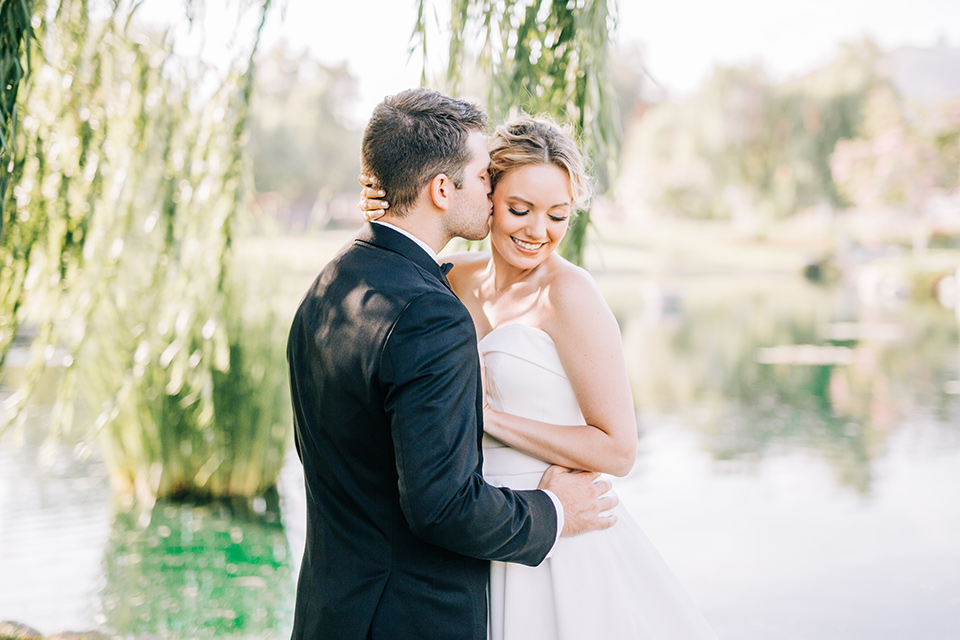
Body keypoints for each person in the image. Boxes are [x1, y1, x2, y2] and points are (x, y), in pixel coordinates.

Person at [360, 114, 719, 639]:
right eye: (520, 209)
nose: (538, 232)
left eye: (558, 215)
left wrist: (492, 421)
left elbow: (618, 450)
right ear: (487, 194)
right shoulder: (451, 277)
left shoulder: (569, 295)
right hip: (473, 528)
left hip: (556, 529)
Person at [287, 88, 618, 640]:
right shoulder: (431, 312)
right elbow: (441, 507)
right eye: (485, 177)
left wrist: (394, 193)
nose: (490, 190)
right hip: (410, 614)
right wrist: (554, 512)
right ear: (443, 188)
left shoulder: (333, 283)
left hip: (334, 608)